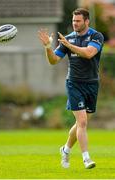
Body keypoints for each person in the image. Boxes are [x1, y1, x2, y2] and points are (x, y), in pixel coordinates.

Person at [38, 8, 104, 169]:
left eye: (78, 21)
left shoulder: (96, 36)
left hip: (92, 83)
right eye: (73, 21)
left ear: (86, 21)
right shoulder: (67, 39)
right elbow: (53, 61)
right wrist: (47, 47)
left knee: (82, 122)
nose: (75, 23)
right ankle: (86, 158)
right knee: (82, 121)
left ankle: (65, 149)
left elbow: (89, 53)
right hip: (74, 83)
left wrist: (69, 45)